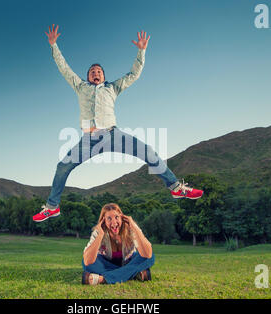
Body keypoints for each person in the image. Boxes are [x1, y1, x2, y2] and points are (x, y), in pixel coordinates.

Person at [32, 25, 203, 222]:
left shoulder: (112, 88)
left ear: (103, 76)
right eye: (92, 72)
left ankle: (175, 187)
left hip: (114, 136)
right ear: (88, 76)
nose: (95, 73)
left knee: (148, 152)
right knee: (62, 167)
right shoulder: (81, 87)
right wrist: (54, 45)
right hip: (89, 139)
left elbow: (134, 74)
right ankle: (52, 207)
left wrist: (142, 51)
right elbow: (65, 68)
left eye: (98, 71)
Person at [82, 203, 155, 285]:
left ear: (122, 217)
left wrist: (134, 227)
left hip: (129, 261)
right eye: (109, 219)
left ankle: (103, 279)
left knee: (149, 257)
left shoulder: (131, 228)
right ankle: (132, 274)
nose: (114, 222)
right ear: (103, 221)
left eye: (116, 217)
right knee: (87, 263)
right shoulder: (99, 232)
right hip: (106, 264)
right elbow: (87, 261)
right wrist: (100, 235)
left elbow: (147, 253)